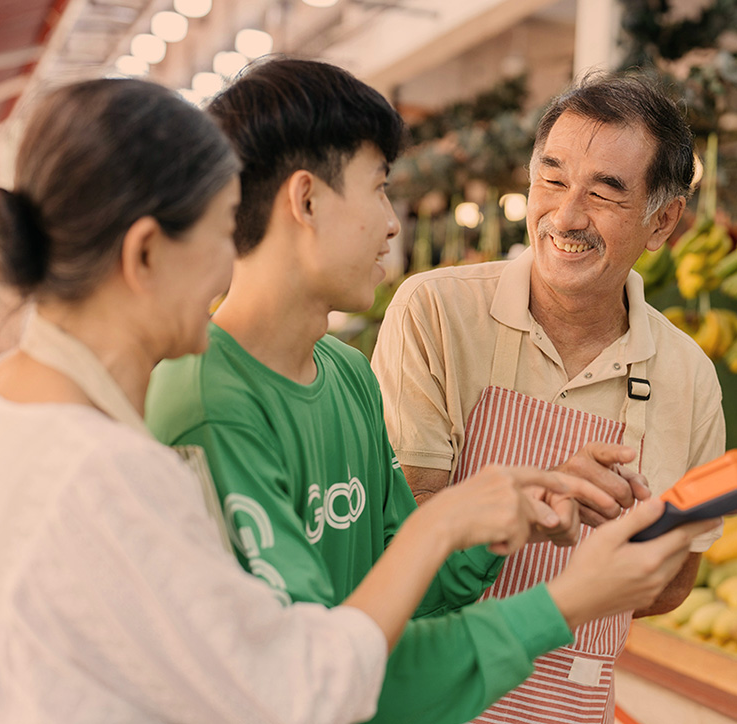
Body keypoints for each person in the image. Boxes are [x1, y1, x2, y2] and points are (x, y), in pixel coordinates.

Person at [0, 78, 606, 724]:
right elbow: (296, 691)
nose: (228, 263)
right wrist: (529, 579)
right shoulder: (109, 470)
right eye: (221, 232)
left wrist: (478, 523)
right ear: (145, 253)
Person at [145, 59, 716, 724]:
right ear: (306, 201)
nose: (393, 224)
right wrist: (561, 601)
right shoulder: (207, 404)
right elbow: (313, 674)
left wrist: (525, 507)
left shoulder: (345, 375)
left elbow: (401, 588)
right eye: (378, 189)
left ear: (662, 222)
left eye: (604, 192)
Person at [371, 72, 726, 724]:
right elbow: (403, 527)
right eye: (552, 179)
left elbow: (676, 577)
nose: (565, 217)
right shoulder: (437, 312)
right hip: (431, 700)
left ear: (663, 221)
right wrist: (555, 531)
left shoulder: (689, 376)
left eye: (604, 193)